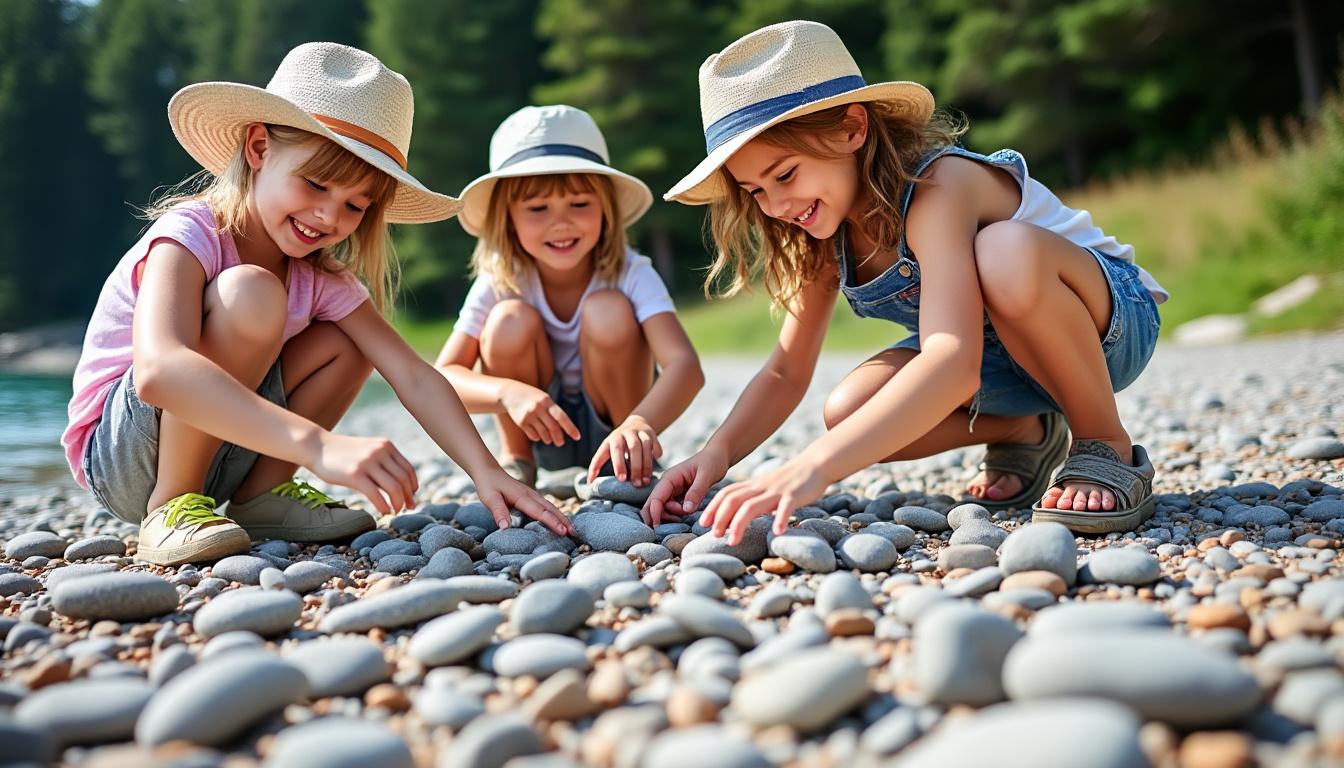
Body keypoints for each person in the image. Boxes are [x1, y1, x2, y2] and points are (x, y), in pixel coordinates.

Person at [643, 21, 1168, 542]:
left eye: (785, 175)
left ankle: (1104, 442)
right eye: (755, 190)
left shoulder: (940, 185)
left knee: (1004, 251)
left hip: (1107, 329)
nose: (777, 206)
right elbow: (786, 372)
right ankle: (1024, 429)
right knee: (848, 412)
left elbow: (951, 360)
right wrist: (717, 452)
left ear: (852, 128)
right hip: (1002, 365)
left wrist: (813, 468)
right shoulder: (820, 232)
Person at [62, 43, 572, 566]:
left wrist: (487, 472)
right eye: (315, 183)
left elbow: (414, 376)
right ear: (258, 148)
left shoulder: (321, 276)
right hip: (125, 456)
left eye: (355, 204)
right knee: (251, 292)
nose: (328, 217)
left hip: (229, 446)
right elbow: (159, 371)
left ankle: (261, 497)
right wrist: (319, 447)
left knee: (350, 341)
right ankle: (170, 505)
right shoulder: (190, 233)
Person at [435, 105, 703, 490]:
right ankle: (518, 463)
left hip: (622, 433)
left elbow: (685, 366)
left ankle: (628, 463)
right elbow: (442, 379)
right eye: (537, 208)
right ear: (507, 217)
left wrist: (641, 424)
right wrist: (507, 392)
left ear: (606, 209)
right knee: (509, 319)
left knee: (607, 309)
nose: (560, 222)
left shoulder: (631, 272)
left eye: (579, 204)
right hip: (538, 433)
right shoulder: (502, 280)